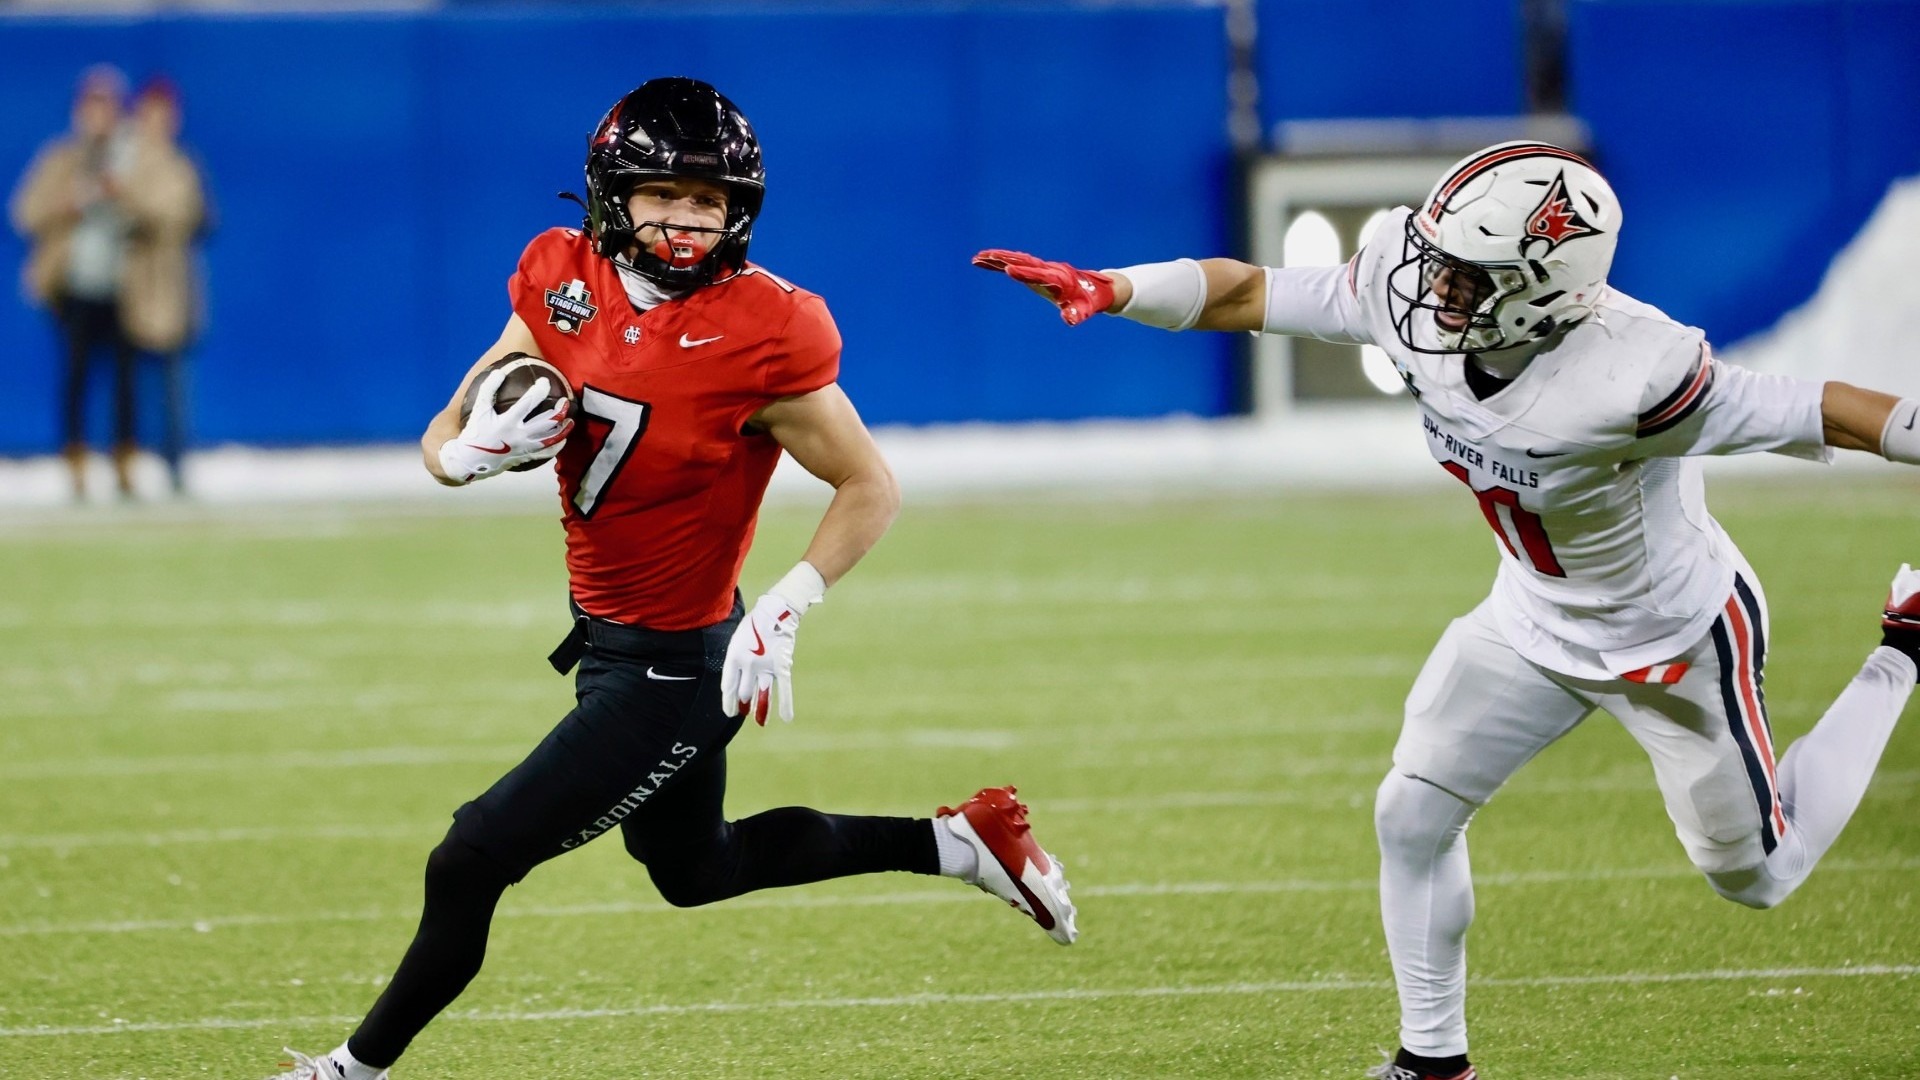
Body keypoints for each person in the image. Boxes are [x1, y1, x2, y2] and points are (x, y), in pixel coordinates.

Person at [976, 141, 1920, 1080]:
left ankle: (1902, 652)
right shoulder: (1407, 281)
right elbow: (1247, 293)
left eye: (1466, 275)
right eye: (1435, 258)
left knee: (1757, 874)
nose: (1433, 288)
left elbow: (1828, 408)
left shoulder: (1639, 373)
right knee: (1412, 812)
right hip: (1531, 616)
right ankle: (1433, 1064)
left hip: (1668, 639)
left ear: (1547, 287)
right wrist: (1114, 287)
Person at [272, 77, 1076, 1080]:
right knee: (696, 870)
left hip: (682, 665)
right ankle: (963, 842)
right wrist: (461, 458)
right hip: (613, 638)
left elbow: (869, 484)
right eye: (666, 193)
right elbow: (451, 421)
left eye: (710, 199)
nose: (690, 218)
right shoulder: (560, 274)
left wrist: (792, 598)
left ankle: (351, 1070)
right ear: (615, 194)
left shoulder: (768, 327)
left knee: (470, 856)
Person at [9, 64, 137, 499]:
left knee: (125, 381)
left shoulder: (134, 155)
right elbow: (24, 212)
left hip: (125, 285)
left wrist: (126, 197)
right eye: (91, 106)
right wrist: (67, 203)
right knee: (77, 376)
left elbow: (174, 204)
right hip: (76, 285)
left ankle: (124, 463)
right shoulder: (61, 157)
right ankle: (77, 463)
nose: (99, 116)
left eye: (107, 106)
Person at [116, 75, 209, 495]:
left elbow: (184, 213)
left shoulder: (180, 164)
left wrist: (131, 201)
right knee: (126, 386)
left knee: (172, 386)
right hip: (129, 286)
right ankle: (125, 465)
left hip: (169, 285)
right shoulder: (125, 159)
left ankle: (174, 464)